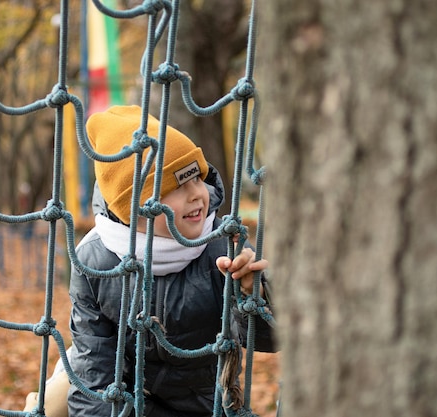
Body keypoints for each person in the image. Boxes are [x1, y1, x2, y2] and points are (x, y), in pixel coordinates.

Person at [25, 105, 275, 417]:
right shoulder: (95, 259)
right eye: (177, 186)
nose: (197, 194)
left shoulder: (222, 245)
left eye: (197, 178)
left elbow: (268, 340)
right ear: (135, 208)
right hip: (121, 394)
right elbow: (94, 368)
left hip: (199, 402)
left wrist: (252, 295)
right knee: (52, 405)